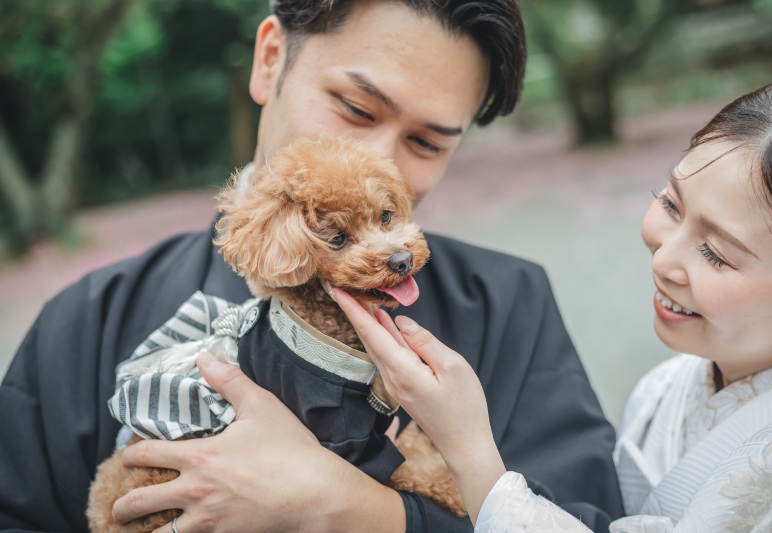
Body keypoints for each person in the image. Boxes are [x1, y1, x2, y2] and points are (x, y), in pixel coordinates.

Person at [0, 1, 624, 532]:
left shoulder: (511, 302)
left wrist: (354, 507)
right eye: (356, 108)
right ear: (270, 60)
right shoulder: (87, 319)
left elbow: (579, 516)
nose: (380, 159)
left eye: (427, 143)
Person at [335, 75, 772, 533]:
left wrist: (467, 447)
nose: (664, 261)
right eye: (671, 205)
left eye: (716, 254)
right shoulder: (663, 388)